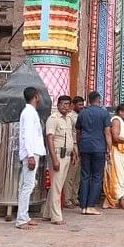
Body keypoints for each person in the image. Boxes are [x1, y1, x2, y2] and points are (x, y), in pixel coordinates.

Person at [42, 95, 77, 225]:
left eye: (67, 104)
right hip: (57, 154)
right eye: (63, 104)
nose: (65, 106)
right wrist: (54, 159)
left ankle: (47, 213)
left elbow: (69, 137)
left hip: (67, 154)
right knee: (57, 186)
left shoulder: (68, 119)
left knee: (57, 185)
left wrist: (74, 152)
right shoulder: (53, 119)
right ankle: (56, 217)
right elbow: (49, 139)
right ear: (58, 104)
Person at [76, 91, 112, 215]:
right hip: (98, 147)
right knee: (97, 177)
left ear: (88, 100)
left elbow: (78, 133)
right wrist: (109, 149)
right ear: (99, 100)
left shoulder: (82, 113)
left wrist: (80, 146)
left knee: (85, 176)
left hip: (85, 146)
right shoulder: (104, 113)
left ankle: (83, 206)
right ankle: (91, 205)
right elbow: (107, 133)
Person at [16, 87, 46, 230]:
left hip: (33, 152)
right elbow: (26, 135)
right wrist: (30, 155)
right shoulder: (28, 113)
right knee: (27, 186)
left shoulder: (31, 112)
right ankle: (21, 219)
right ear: (36, 96)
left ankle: (25, 216)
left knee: (28, 184)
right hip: (31, 153)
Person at [103, 104, 124, 210]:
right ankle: (120, 202)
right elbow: (115, 137)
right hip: (116, 152)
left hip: (123, 154)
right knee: (118, 178)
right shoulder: (116, 120)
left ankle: (110, 201)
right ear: (120, 112)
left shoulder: (123, 122)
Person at [63, 96, 84, 208]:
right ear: (73, 105)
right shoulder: (70, 117)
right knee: (70, 175)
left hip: (80, 147)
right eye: (79, 105)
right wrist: (73, 149)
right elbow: (71, 134)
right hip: (73, 146)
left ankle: (74, 197)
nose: (81, 107)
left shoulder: (80, 116)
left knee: (77, 176)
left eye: (82, 104)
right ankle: (67, 199)